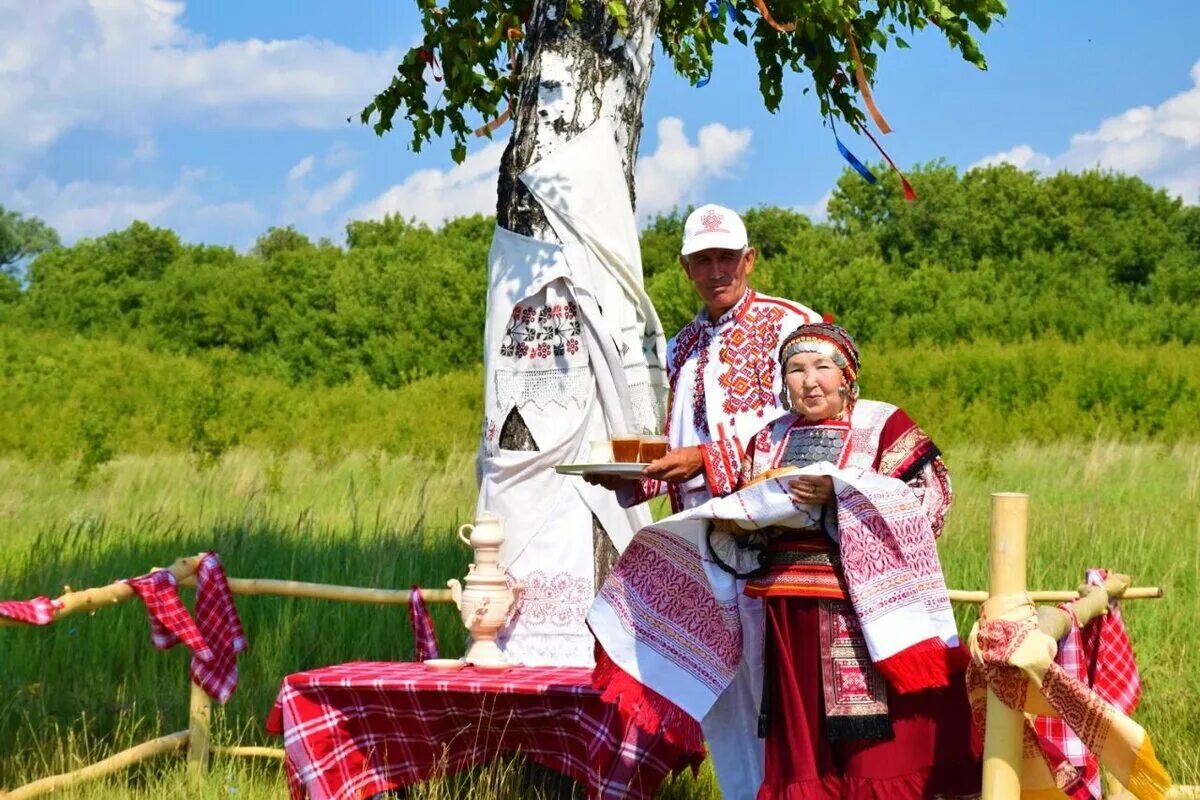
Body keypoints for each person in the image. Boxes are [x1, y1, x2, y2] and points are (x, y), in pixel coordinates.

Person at [588, 322, 979, 800]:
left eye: (822, 368)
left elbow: (932, 498)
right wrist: (738, 524)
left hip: (865, 610)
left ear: (848, 376)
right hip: (784, 610)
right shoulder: (769, 438)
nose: (809, 381)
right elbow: (743, 499)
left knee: (876, 742)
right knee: (801, 740)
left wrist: (841, 499)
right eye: (795, 369)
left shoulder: (882, 424)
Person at [585, 203, 818, 798]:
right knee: (724, 694)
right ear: (685, 266)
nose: (716, 270)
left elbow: (814, 430)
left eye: (726, 257)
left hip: (780, 546)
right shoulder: (683, 344)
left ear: (749, 258)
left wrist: (705, 460)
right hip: (705, 544)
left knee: (784, 695)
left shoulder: (792, 325)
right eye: (702, 260)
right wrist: (636, 479)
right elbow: (682, 448)